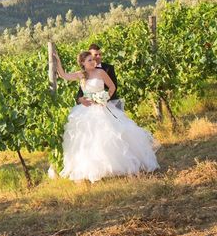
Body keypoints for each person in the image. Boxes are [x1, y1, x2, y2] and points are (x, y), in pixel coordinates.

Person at [53, 50, 159, 183]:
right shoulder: (81, 75)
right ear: (82, 63)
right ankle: (96, 169)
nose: (93, 61)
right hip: (86, 110)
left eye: (93, 59)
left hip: (102, 108)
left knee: (111, 135)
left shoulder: (101, 72)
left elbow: (112, 87)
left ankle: (120, 166)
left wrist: (105, 98)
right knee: (90, 139)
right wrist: (57, 61)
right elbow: (63, 75)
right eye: (89, 60)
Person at [76, 43, 123, 110]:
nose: (99, 57)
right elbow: (81, 90)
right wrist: (80, 99)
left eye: (100, 54)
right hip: (91, 107)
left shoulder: (109, 68)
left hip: (110, 104)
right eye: (96, 55)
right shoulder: (85, 72)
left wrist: (102, 99)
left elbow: (114, 86)